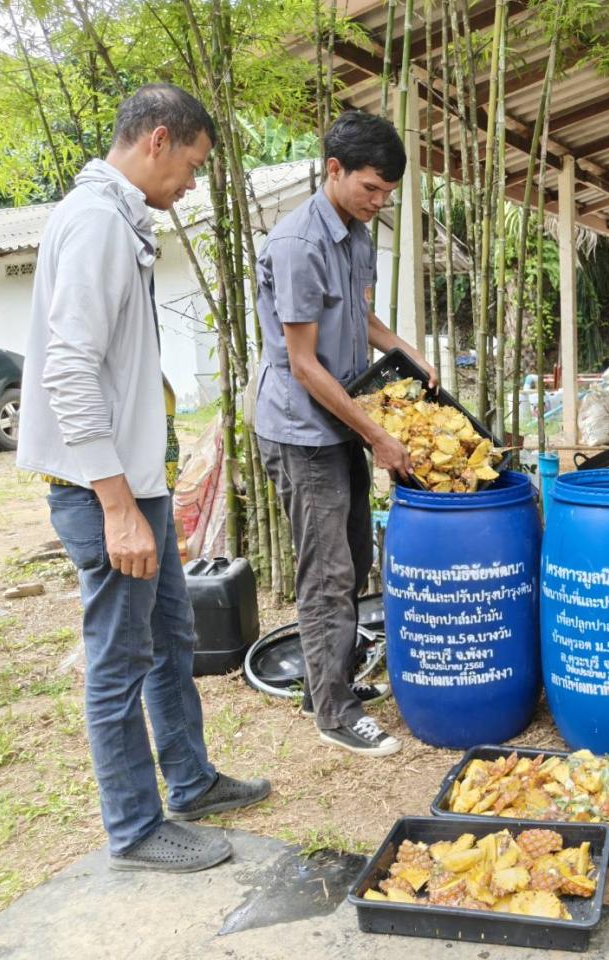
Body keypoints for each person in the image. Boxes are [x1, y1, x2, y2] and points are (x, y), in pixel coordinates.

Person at [17, 84, 271, 873]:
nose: (192, 185)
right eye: (191, 166)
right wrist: (118, 504)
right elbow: (68, 371)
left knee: (172, 638)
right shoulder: (94, 220)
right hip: (106, 494)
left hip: (139, 486)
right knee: (120, 657)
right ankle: (134, 826)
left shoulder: (120, 217)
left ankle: (190, 780)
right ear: (158, 140)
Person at [255, 111, 437, 758]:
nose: (379, 201)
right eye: (371, 189)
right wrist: (380, 438)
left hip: (340, 424)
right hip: (302, 430)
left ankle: (323, 682)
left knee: (355, 558)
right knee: (328, 573)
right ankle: (334, 712)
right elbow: (304, 364)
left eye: (388, 192)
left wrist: (405, 348)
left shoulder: (357, 232)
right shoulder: (299, 245)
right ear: (334, 171)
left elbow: (360, 317)